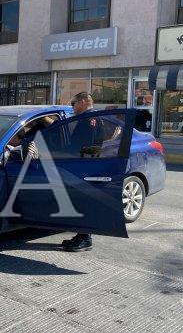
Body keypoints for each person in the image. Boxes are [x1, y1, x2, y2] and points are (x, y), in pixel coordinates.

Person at [61, 92, 99, 252]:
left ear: (83, 102)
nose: (73, 107)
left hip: (84, 165)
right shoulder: (90, 118)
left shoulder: (90, 120)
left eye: (74, 103)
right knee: (78, 201)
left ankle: (85, 238)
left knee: (83, 202)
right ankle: (81, 235)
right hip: (82, 164)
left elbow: (89, 145)